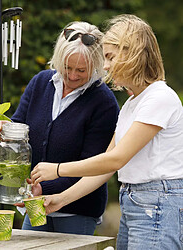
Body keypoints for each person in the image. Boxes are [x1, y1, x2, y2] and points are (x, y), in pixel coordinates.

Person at [31, 14, 183, 249]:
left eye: (111, 57)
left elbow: (116, 158)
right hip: (136, 203)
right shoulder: (133, 103)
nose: (105, 66)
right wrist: (61, 200)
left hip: (157, 204)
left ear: (132, 55)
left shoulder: (160, 97)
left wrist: (58, 170)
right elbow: (107, 167)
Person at [0, 21, 119, 235]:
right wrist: (7, 129)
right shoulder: (41, 82)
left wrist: (45, 188)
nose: (73, 75)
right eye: (67, 67)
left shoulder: (103, 103)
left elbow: (93, 166)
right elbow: (19, 123)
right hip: (35, 205)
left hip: (77, 212)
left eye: (82, 70)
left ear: (96, 66)